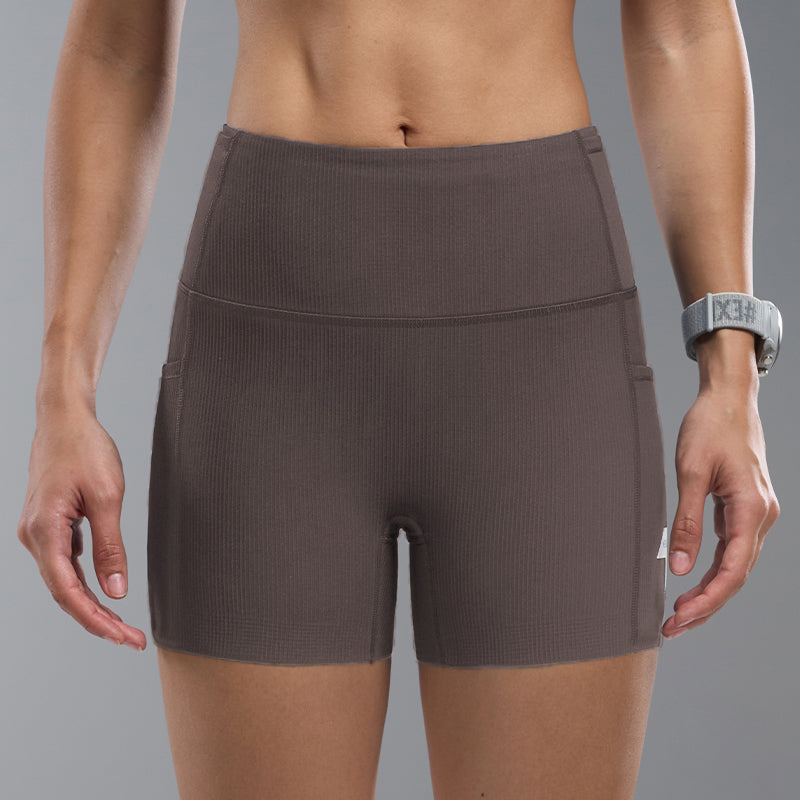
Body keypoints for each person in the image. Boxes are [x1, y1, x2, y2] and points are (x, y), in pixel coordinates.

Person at [18, 0, 780, 798]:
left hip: (539, 340)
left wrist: (732, 374)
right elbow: (115, 51)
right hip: (271, 349)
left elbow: (684, 29)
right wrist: (62, 395)